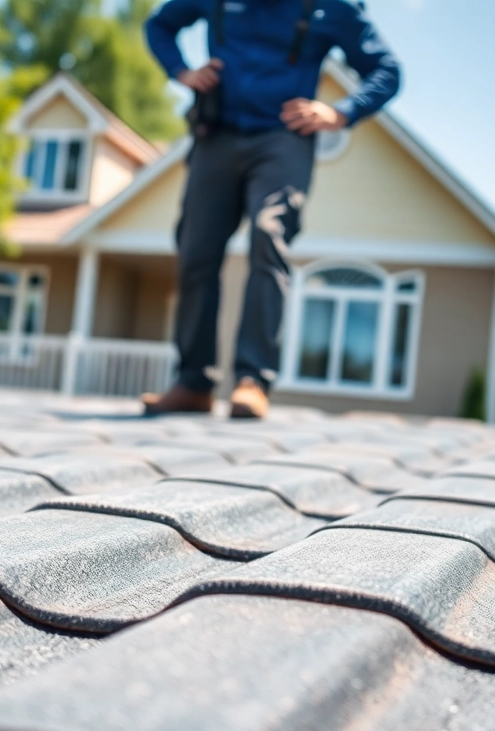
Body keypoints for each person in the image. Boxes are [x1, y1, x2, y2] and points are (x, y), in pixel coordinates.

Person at [142, 0, 401, 419]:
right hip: (218, 133)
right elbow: (159, 25)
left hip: (284, 137)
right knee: (195, 249)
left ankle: (252, 380)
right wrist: (181, 71)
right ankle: (193, 383)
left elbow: (386, 70)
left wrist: (341, 112)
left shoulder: (330, 7)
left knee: (269, 232)